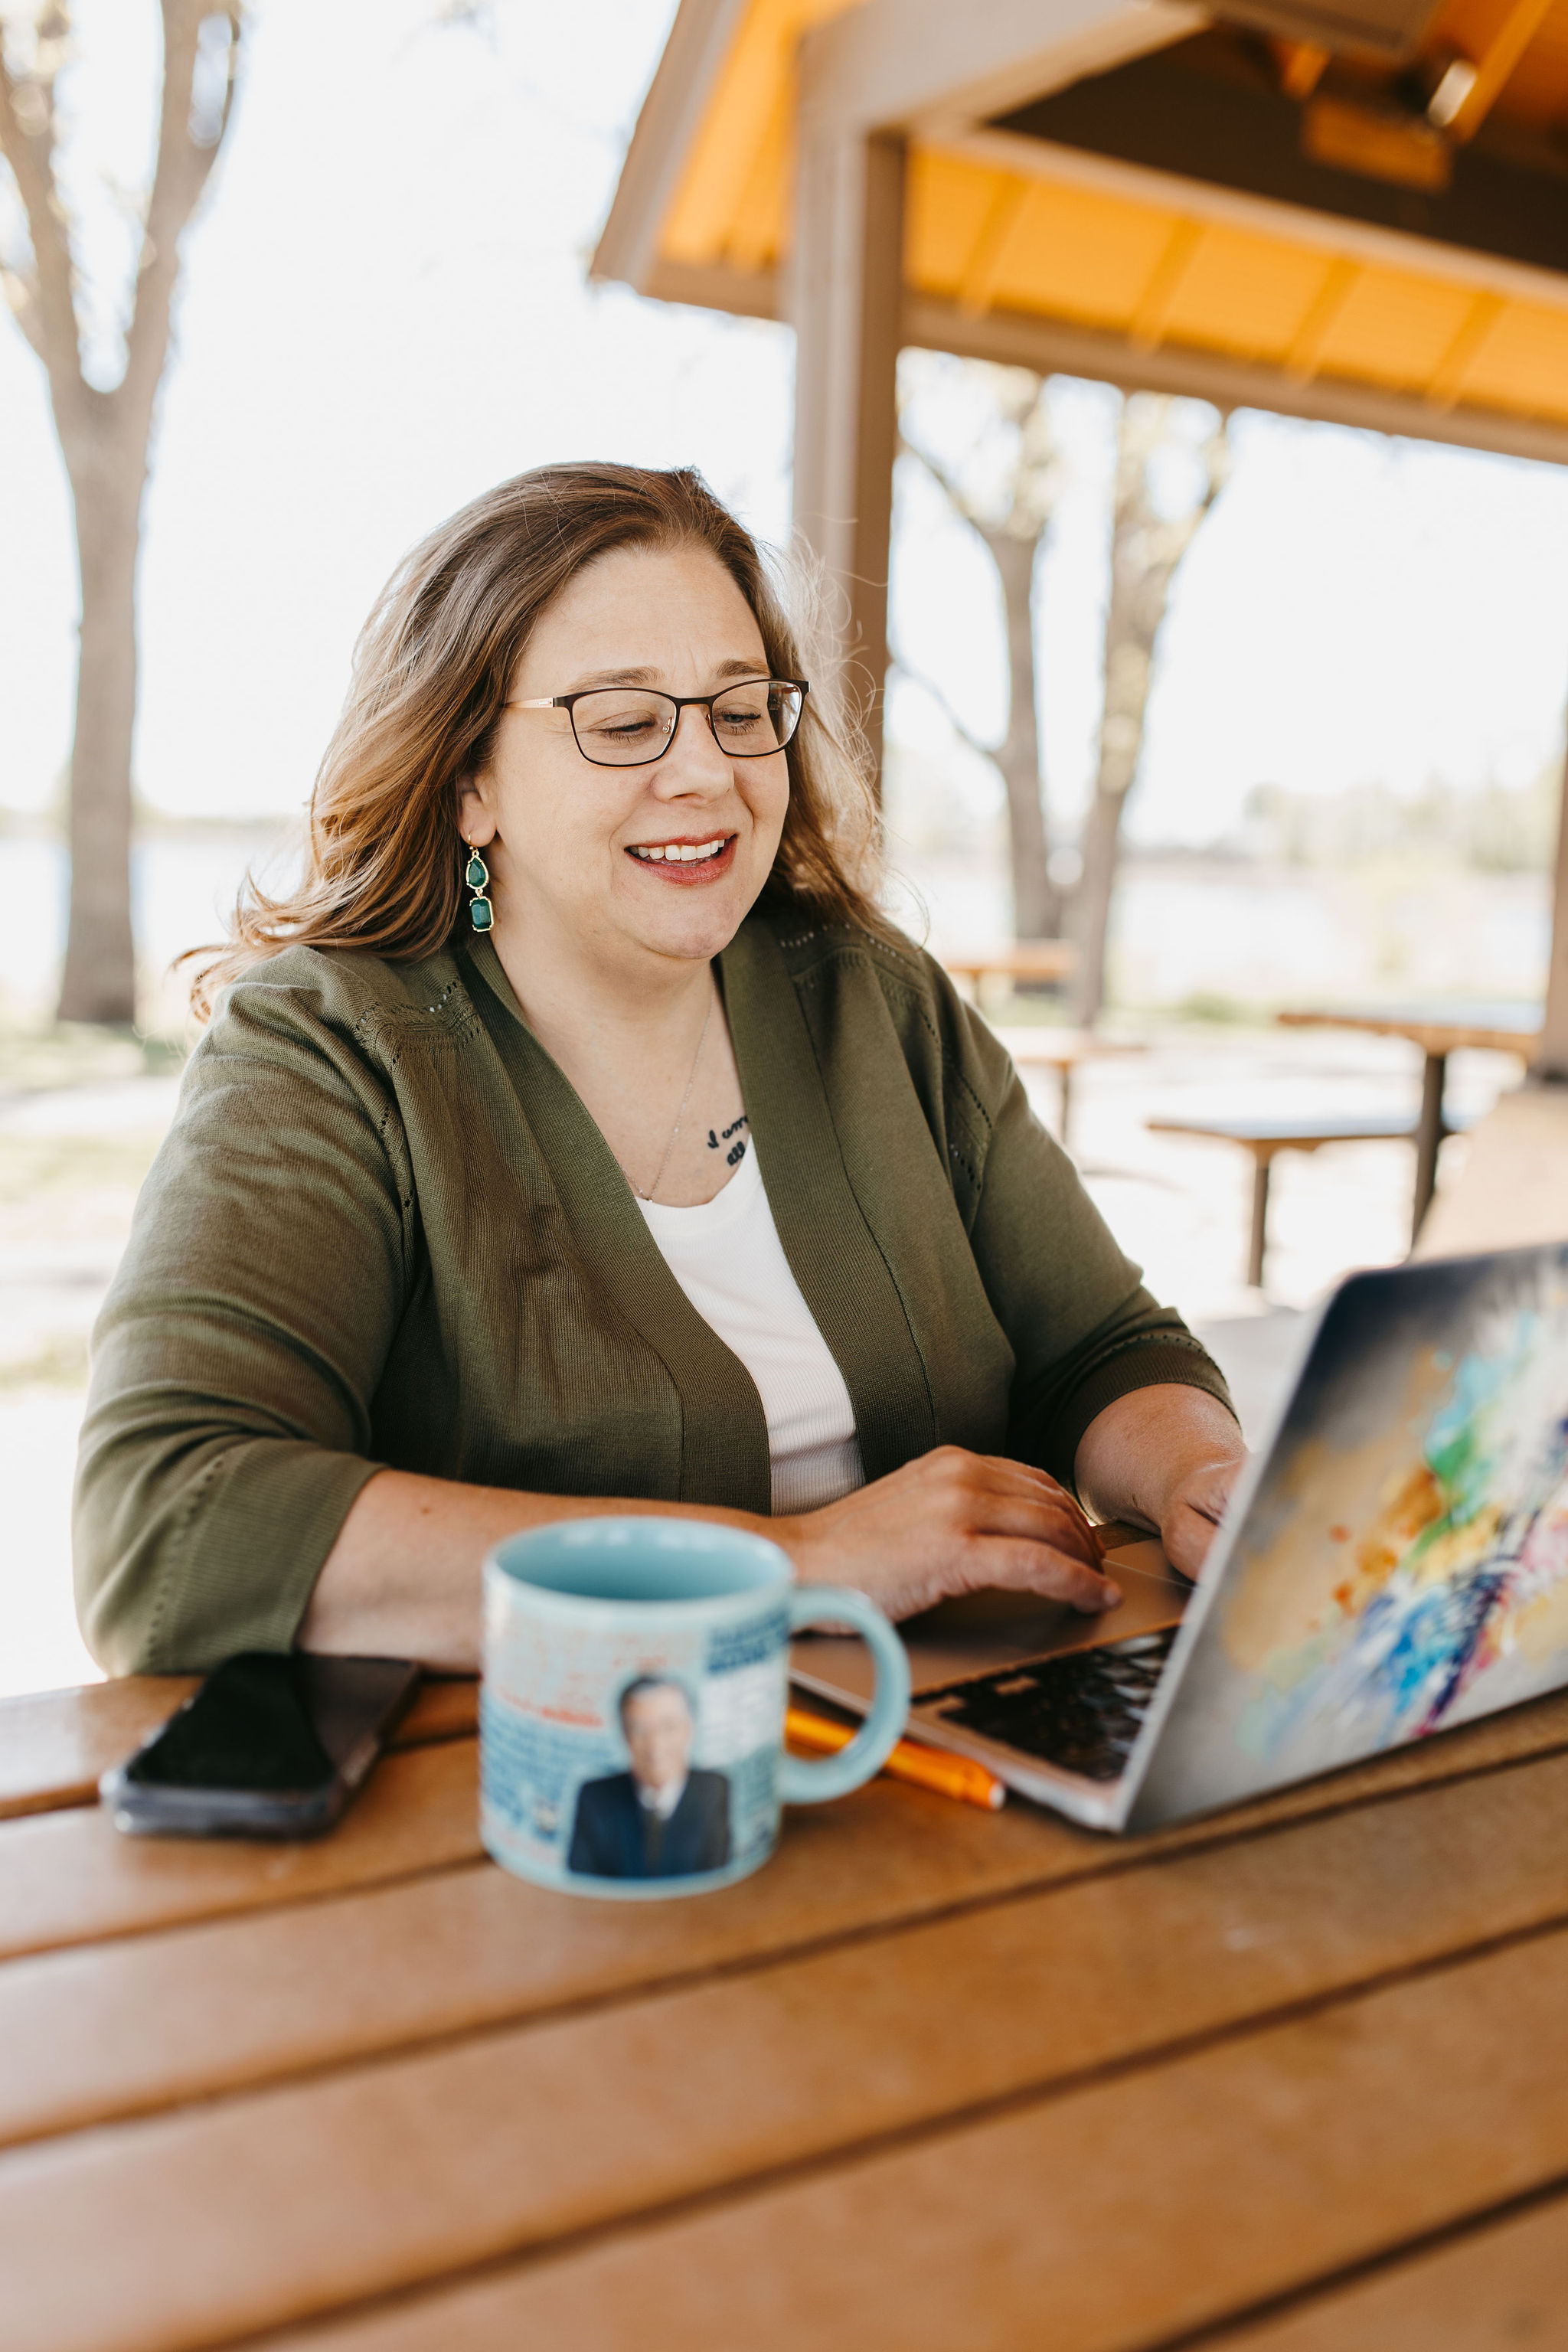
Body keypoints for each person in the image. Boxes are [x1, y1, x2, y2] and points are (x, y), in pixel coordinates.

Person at [74, 462, 1244, 1677]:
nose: (704, 774)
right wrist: (803, 1566)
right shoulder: (329, 1047)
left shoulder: (875, 998)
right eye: (624, 722)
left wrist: (1199, 1469)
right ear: (470, 780)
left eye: (741, 712)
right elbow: (167, 1521)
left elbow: (1104, 1349)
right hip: (557, 1795)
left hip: (958, 1742)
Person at [567, 1677, 730, 1880]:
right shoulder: (595, 1799)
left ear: (688, 1730)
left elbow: (719, 1873)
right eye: (640, 1731)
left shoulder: (714, 1790)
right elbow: (582, 1881)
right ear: (625, 1736)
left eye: (668, 1727)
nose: (655, 1745)